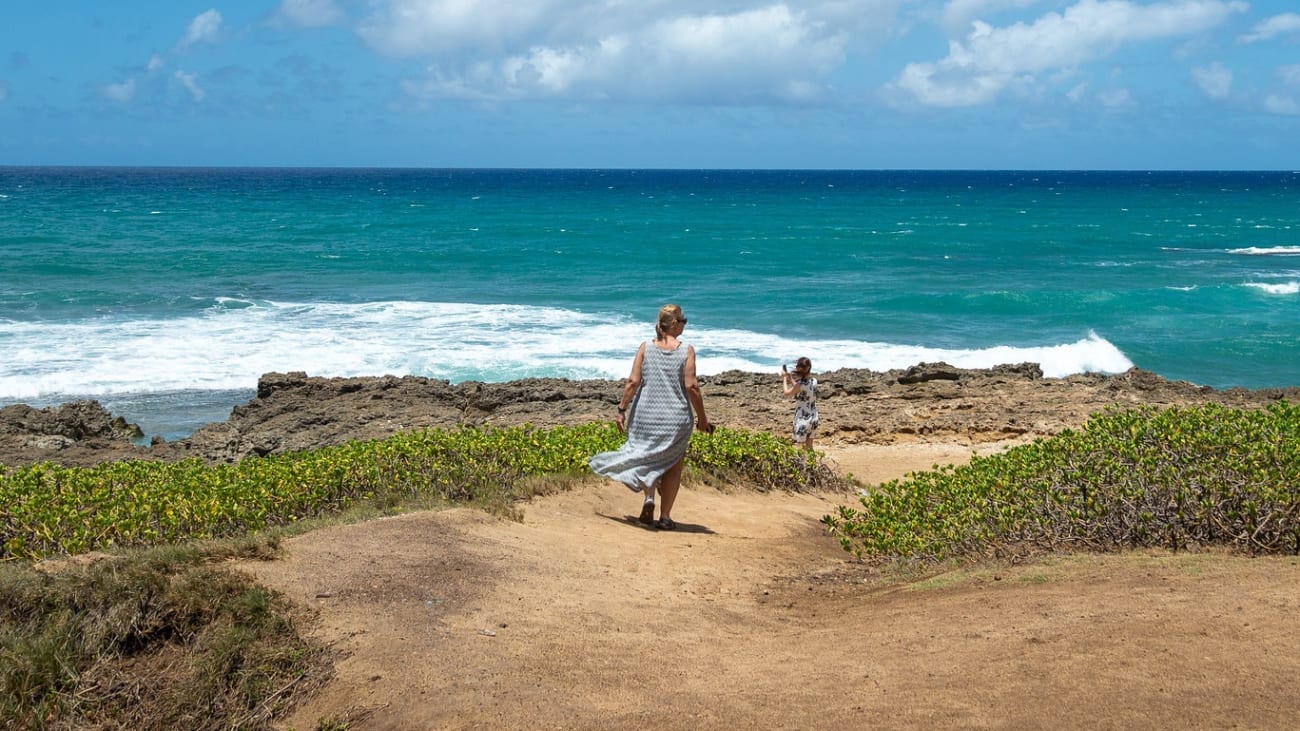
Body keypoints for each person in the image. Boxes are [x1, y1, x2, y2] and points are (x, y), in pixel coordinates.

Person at [588, 304, 712, 530]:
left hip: (646, 415)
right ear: (674, 324)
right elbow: (692, 386)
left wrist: (621, 410)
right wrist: (702, 419)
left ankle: (649, 499)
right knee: (673, 466)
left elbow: (632, 382)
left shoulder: (646, 347)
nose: (685, 324)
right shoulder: (687, 350)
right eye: (683, 320)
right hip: (675, 420)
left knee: (648, 458)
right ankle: (665, 518)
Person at [781, 356, 819, 450]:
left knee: (801, 448)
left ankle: (803, 465)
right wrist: (791, 380)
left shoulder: (800, 384)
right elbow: (802, 390)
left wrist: (785, 379)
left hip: (803, 419)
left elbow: (786, 393)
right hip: (814, 417)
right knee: (809, 447)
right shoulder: (814, 381)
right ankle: (812, 464)